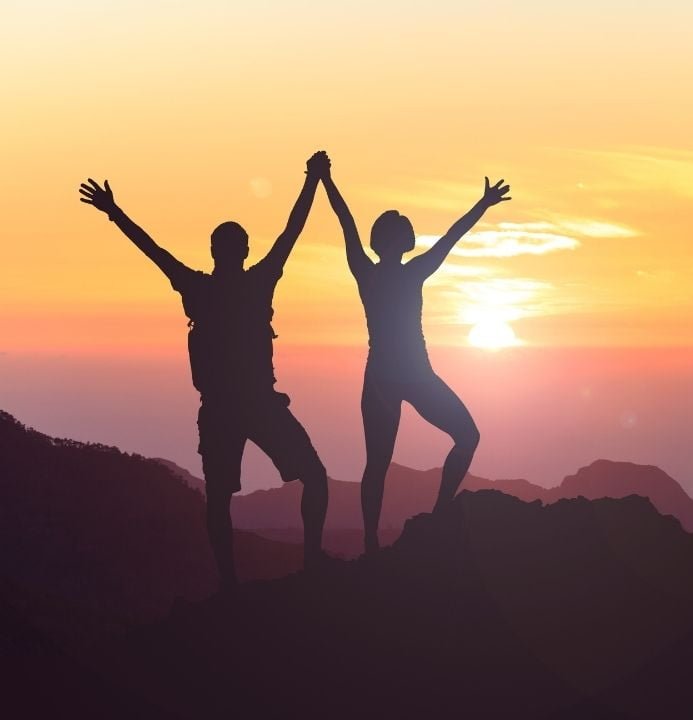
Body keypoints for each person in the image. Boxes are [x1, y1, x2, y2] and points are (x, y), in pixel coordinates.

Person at [78, 152, 332, 591]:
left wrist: (114, 212)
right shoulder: (258, 281)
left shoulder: (196, 287)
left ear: (214, 251)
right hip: (257, 405)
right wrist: (313, 179)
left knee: (219, 500)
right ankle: (309, 565)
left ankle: (230, 584)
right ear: (244, 251)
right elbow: (292, 231)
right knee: (314, 478)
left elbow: (152, 250)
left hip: (220, 410)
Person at [314, 157, 510, 554]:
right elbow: (449, 238)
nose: (410, 232)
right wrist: (482, 205)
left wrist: (326, 181)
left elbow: (346, 222)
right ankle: (426, 520)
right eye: (403, 229)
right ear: (394, 240)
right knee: (462, 438)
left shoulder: (371, 272)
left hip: (390, 379)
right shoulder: (408, 271)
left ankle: (380, 538)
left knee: (381, 463)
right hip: (410, 377)